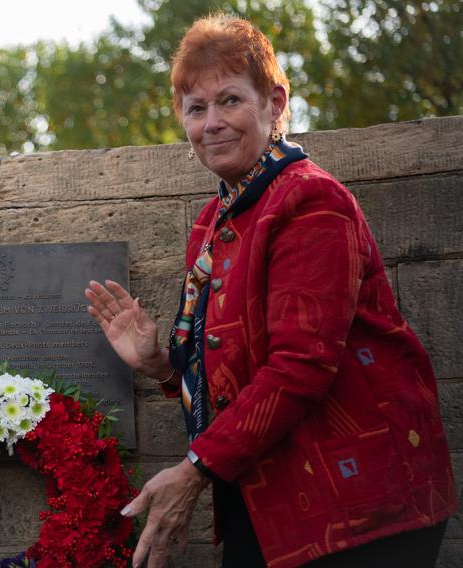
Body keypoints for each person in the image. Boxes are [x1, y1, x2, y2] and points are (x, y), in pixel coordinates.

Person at [85, 14, 457, 568]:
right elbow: (234, 370)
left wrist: (192, 472)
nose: (212, 123)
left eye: (230, 100)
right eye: (196, 108)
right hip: (266, 492)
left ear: (275, 103)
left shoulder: (310, 200)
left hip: (359, 506)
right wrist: (162, 365)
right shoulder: (215, 218)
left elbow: (301, 366)